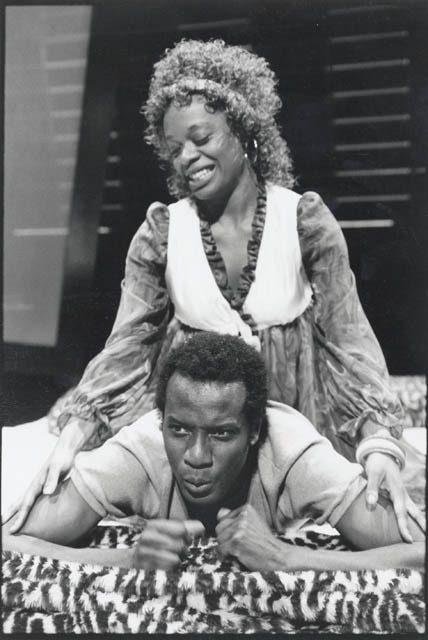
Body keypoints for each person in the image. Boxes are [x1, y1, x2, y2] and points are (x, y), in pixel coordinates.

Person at [4, 39, 424, 541]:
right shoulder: (161, 234)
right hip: (196, 419)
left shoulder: (304, 221)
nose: (187, 157)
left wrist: (377, 442)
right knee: (63, 498)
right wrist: (75, 435)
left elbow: (348, 339)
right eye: (174, 149)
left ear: (244, 130)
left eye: (200, 138)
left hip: (293, 414)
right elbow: (126, 345)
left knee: (385, 509)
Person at [2, 333, 424, 572]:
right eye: (179, 429)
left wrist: (284, 557)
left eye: (221, 434)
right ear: (161, 421)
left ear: (254, 432)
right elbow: (8, 540)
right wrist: (125, 557)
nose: (197, 456)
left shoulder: (295, 453)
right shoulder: (138, 450)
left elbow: (420, 553)